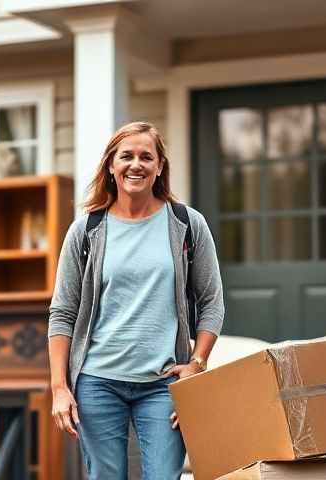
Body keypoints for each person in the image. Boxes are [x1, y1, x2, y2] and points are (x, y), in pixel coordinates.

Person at [47, 121, 224, 480]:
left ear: (159, 166)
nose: (136, 164)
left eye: (147, 156)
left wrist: (196, 364)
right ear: (111, 165)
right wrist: (59, 387)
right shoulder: (86, 231)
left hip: (163, 383)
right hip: (97, 382)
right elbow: (62, 312)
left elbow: (212, 303)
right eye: (126, 156)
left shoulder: (187, 225)